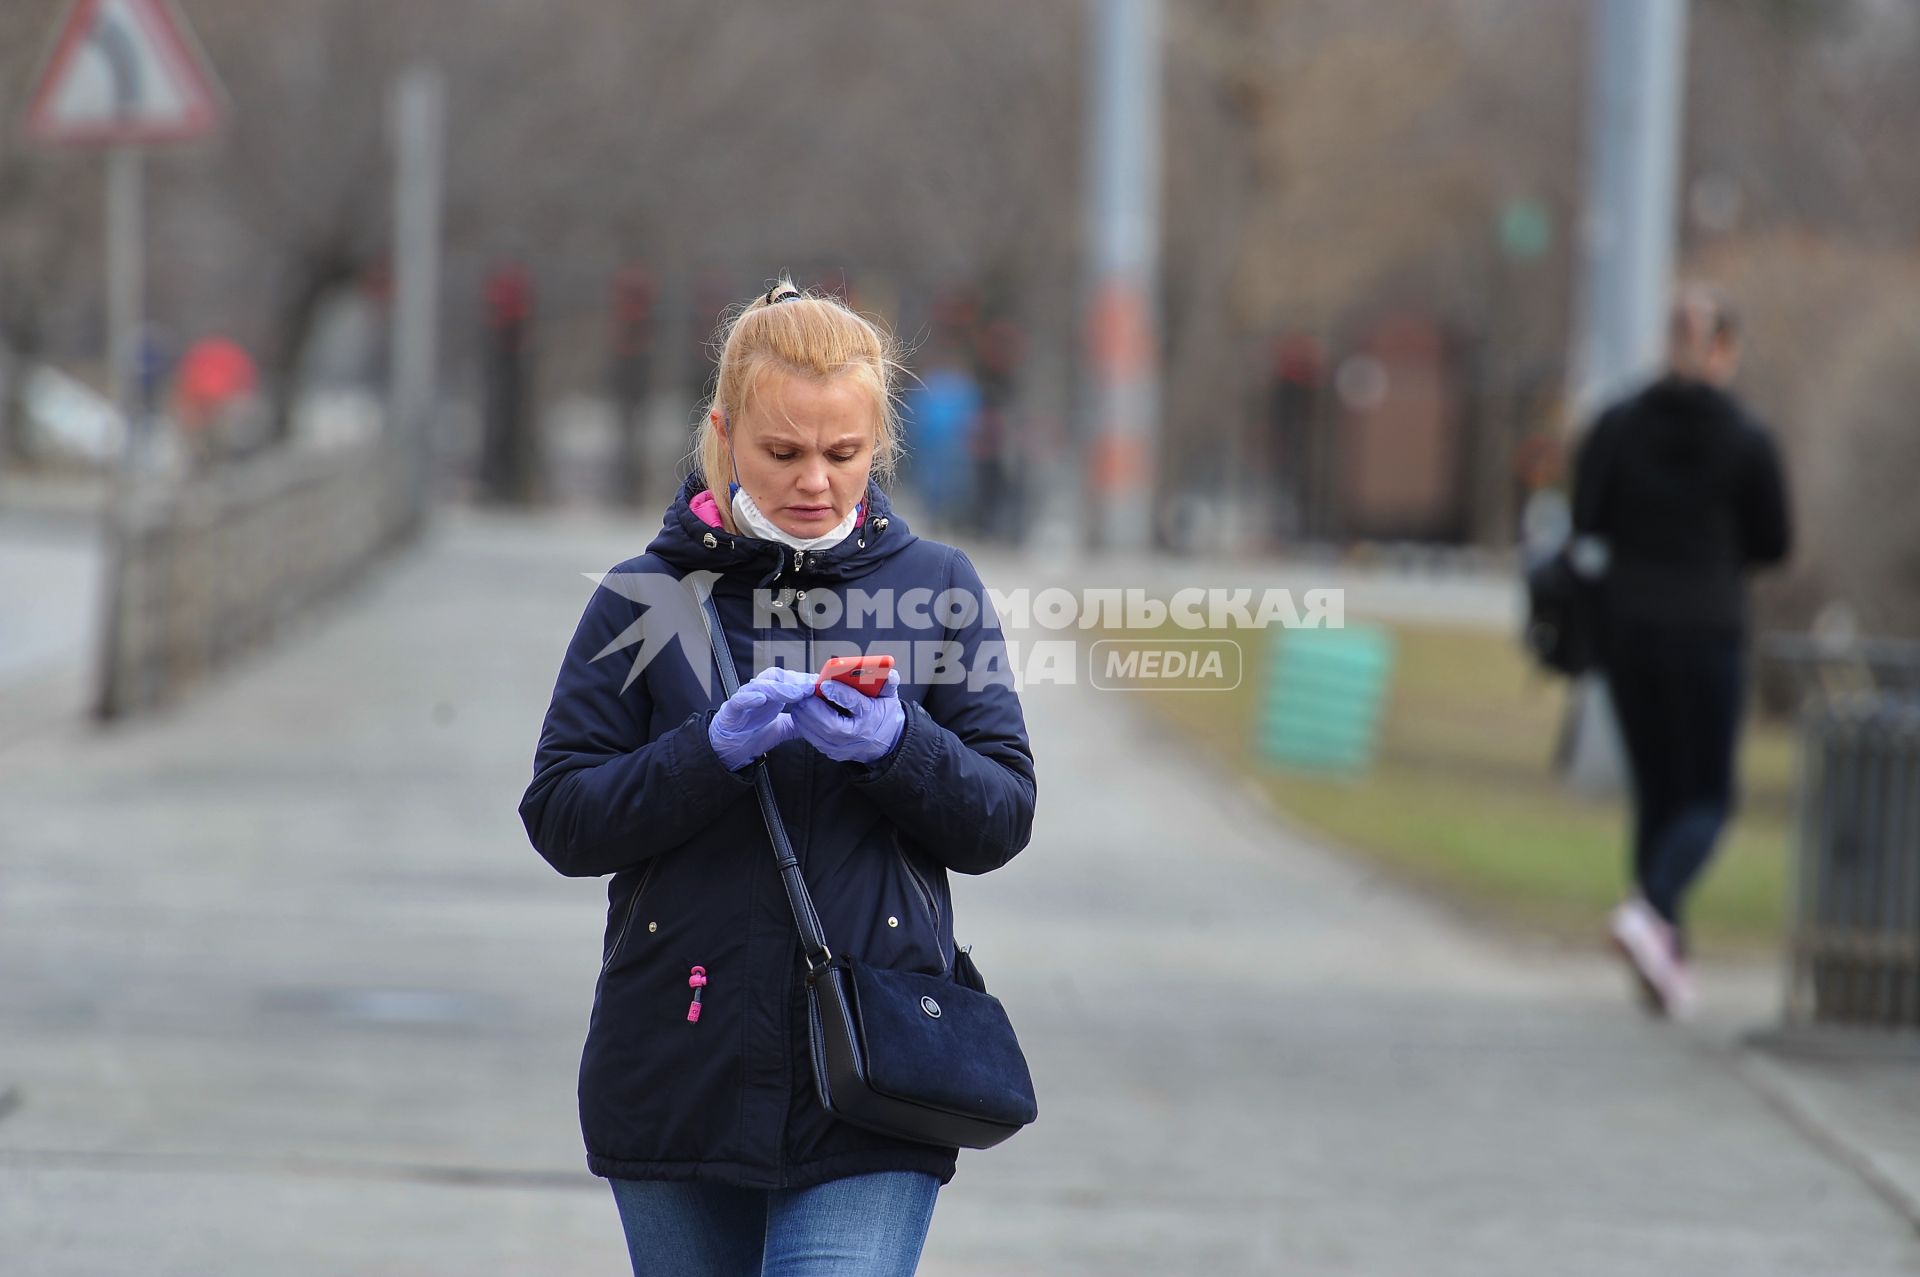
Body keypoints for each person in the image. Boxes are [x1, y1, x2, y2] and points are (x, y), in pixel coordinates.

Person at [517, 279, 1037, 1276]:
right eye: (783, 451)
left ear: (879, 441)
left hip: (878, 1062)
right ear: (724, 433)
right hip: (679, 1052)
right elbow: (562, 816)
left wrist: (897, 747)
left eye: (843, 454)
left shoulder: (938, 589)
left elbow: (1002, 814)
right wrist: (707, 750)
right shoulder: (646, 596)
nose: (815, 481)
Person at [1571, 285, 1791, 1018]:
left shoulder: (1620, 423)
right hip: (1707, 629)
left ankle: (1664, 961)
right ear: (1722, 349)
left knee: (1660, 793)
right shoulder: (1745, 435)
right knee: (1710, 799)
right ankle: (1653, 909)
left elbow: (1585, 515)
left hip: (1630, 629)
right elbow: (1773, 541)